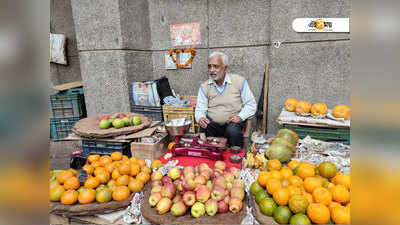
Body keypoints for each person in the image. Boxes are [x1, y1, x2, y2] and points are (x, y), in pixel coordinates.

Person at [195, 51, 257, 147]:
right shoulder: (204, 86)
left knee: (233, 131)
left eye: (216, 66)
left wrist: (240, 117)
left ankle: (235, 156)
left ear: (226, 68)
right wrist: (200, 118)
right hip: (213, 125)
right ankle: (211, 156)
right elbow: (200, 109)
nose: (211, 70)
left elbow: (251, 104)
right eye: (209, 66)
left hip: (233, 123)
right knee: (205, 127)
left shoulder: (239, 81)